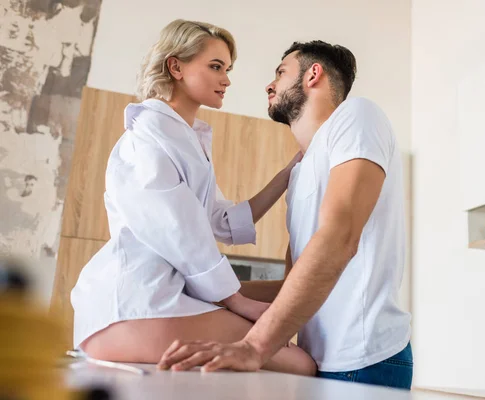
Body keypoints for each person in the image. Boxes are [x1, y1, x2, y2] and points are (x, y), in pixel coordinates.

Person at [157, 40, 413, 389]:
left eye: (280, 72)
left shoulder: (357, 117)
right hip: (315, 361)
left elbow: (339, 238)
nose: (270, 84)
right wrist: (200, 292)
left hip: (364, 360)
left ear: (313, 74)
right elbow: (289, 285)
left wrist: (253, 347)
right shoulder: (301, 171)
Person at [70, 19, 316, 376]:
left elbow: (222, 221)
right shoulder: (146, 138)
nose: (227, 79)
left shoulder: (186, 140)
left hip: (148, 304)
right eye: (216, 67)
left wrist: (287, 175)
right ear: (176, 67)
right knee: (300, 364)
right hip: (134, 305)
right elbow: (178, 229)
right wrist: (236, 301)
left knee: (289, 359)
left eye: (228, 69)